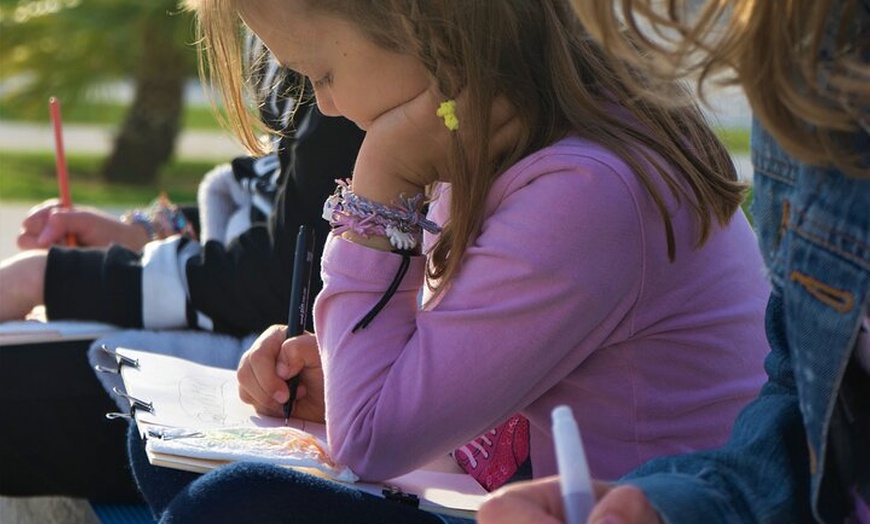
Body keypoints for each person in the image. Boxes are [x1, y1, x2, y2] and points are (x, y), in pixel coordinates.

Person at [128, 0, 773, 522]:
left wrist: (379, 177)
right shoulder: (493, 144)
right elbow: (439, 391)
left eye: (320, 74)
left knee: (230, 506)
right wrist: (344, 376)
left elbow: (370, 444)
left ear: (423, 26)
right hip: (506, 489)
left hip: (611, 509)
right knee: (164, 452)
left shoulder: (586, 191)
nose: (322, 104)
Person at [478, 1, 869, 523]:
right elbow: (807, 413)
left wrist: (382, 184)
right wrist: (666, 508)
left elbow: (378, 433)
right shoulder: (808, 56)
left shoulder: (590, 187)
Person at [0, 36, 366, 502]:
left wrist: (52, 278)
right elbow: (279, 207)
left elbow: (286, 270)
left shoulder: (352, 54)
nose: (329, 101)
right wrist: (146, 236)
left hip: (272, 380)